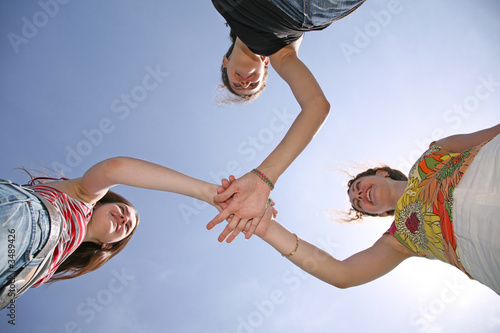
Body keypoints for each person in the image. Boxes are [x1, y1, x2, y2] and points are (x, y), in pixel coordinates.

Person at [217, 123, 500, 295]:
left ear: (382, 173)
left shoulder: (436, 152)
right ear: (379, 215)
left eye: (359, 186)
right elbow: (343, 275)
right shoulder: (400, 240)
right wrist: (267, 228)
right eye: (358, 203)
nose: (359, 196)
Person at [209, 0, 366, 243]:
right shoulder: (281, 53)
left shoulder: (229, 10)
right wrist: (265, 177)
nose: (245, 82)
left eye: (238, 84)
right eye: (252, 86)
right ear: (266, 65)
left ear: (225, 62)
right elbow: (316, 105)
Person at [0, 157, 222, 308]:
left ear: (106, 245)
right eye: (124, 211)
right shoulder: (82, 197)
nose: (125, 219)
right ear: (101, 204)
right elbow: (114, 168)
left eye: (127, 227)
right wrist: (207, 193)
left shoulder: (52, 264)